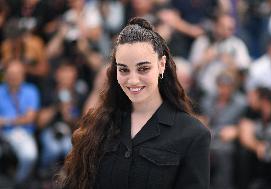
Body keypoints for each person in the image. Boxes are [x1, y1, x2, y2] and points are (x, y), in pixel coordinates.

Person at [58, 17, 211, 189]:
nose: (133, 80)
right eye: (124, 69)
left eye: (143, 68)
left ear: (161, 64)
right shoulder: (97, 125)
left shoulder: (193, 134)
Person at [0, 60, 40, 184]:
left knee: (29, 156)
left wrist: (6, 121)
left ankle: (18, 182)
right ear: (5, 75)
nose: (13, 77)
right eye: (11, 73)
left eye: (17, 74)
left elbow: (30, 118)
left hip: (24, 133)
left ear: (23, 75)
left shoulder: (31, 91)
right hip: (2, 134)